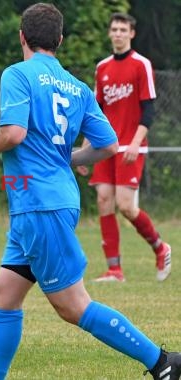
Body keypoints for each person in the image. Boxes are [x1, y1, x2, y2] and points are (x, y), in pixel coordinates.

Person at [0, 3, 180, 380]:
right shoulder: (77, 85)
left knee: (73, 306)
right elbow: (108, 146)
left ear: (22, 36)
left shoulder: (18, 74)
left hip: (40, 205)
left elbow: (14, 134)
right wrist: (65, 157)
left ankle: (162, 362)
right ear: (60, 41)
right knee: (5, 292)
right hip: (48, 202)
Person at [77, 13, 171, 282]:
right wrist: (84, 151)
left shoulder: (141, 65)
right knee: (104, 201)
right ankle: (114, 270)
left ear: (131, 34)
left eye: (123, 29)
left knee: (126, 206)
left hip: (131, 147)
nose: (118, 33)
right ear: (110, 34)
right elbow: (96, 114)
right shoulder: (102, 68)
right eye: (114, 29)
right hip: (106, 147)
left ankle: (160, 247)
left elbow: (149, 111)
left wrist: (136, 142)